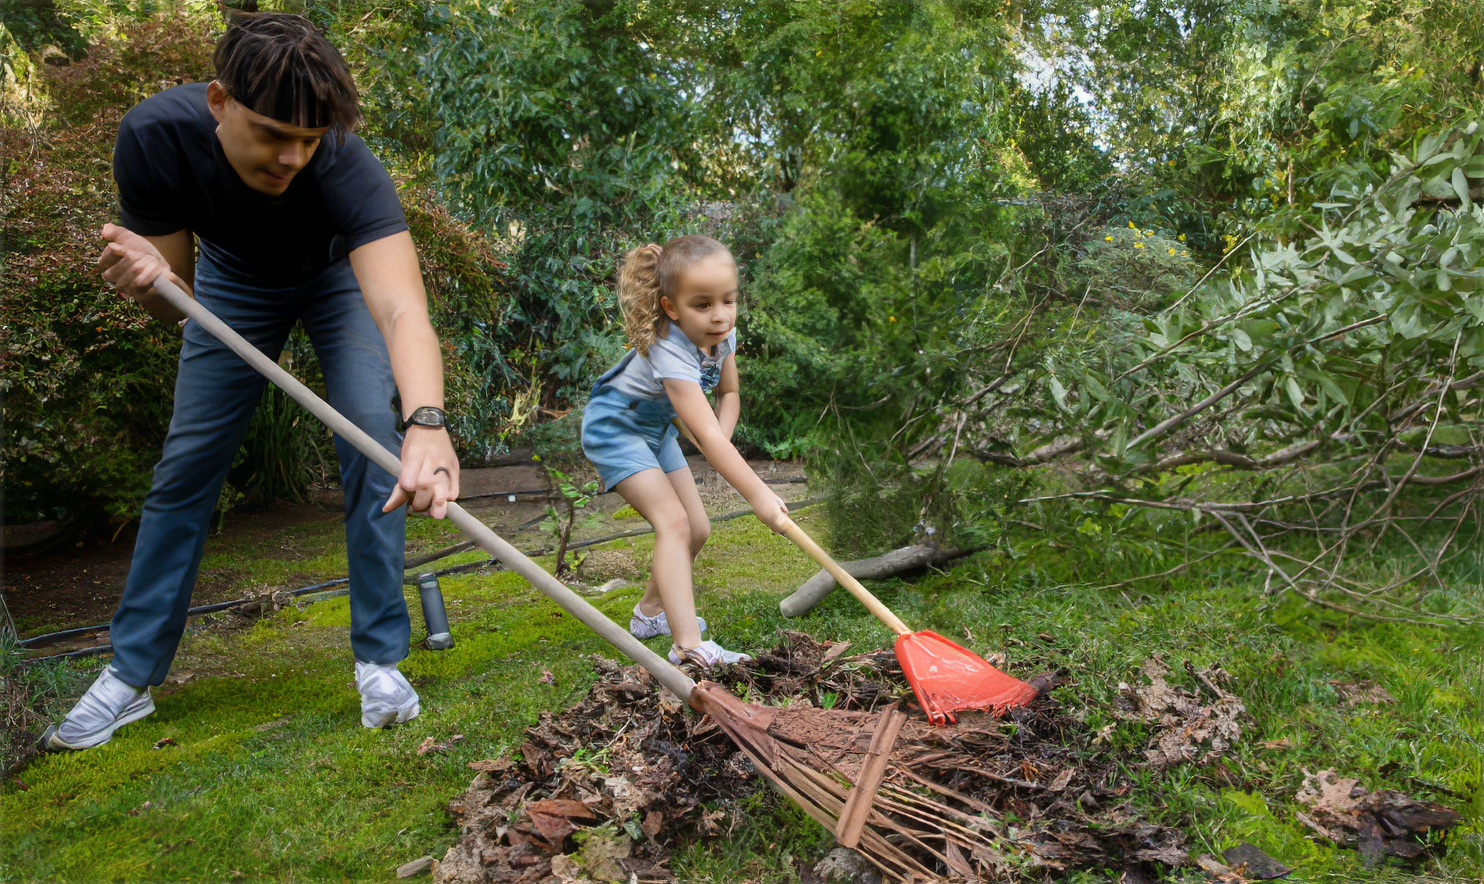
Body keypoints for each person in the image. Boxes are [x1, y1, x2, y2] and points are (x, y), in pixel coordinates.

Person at [41, 12, 460, 751]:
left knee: (374, 441)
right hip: (232, 281)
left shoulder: (343, 162)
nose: (293, 156)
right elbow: (176, 306)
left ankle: (381, 663)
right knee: (187, 464)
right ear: (218, 102)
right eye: (272, 133)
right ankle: (131, 675)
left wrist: (427, 420)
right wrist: (149, 285)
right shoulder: (153, 138)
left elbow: (399, 308)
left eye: (308, 138)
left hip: (336, 282)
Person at [581, 236, 789, 668]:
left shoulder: (722, 336)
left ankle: (650, 613)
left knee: (697, 528)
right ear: (672, 308)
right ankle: (689, 647)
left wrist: (720, 441)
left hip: (653, 430)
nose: (720, 316)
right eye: (703, 304)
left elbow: (728, 394)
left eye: (728, 301)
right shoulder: (669, 348)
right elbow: (707, 439)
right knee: (672, 523)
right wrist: (759, 496)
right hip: (615, 428)